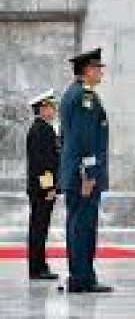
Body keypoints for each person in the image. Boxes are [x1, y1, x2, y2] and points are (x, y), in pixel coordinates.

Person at [59, 48, 112, 293]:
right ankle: (82, 278)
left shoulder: (72, 93)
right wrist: (89, 174)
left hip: (74, 173)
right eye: (98, 68)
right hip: (83, 176)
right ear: (87, 70)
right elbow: (85, 138)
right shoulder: (84, 97)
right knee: (83, 226)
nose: (101, 72)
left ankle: (82, 275)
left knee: (78, 225)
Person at [26, 89, 60, 281]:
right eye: (51, 107)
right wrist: (49, 188)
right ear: (42, 108)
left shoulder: (40, 128)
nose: (54, 110)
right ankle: (38, 268)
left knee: (38, 227)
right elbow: (43, 164)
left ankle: (38, 266)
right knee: (39, 228)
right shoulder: (42, 130)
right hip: (42, 189)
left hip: (39, 187)